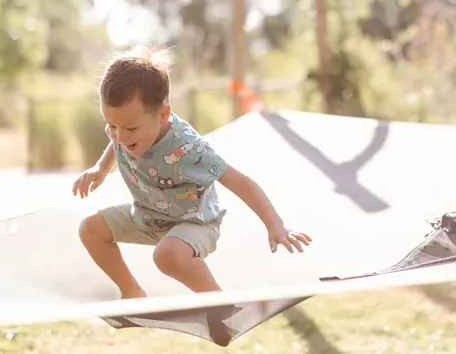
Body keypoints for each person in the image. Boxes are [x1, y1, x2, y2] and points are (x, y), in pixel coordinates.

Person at [72, 44, 312, 304]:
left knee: (167, 256)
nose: (120, 136)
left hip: (195, 223)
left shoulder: (188, 148)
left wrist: (275, 225)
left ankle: (217, 303)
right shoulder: (125, 131)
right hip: (148, 216)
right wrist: (101, 168)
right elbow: (117, 142)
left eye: (129, 127)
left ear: (163, 114)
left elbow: (239, 181)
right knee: (91, 228)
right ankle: (131, 291)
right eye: (112, 126)